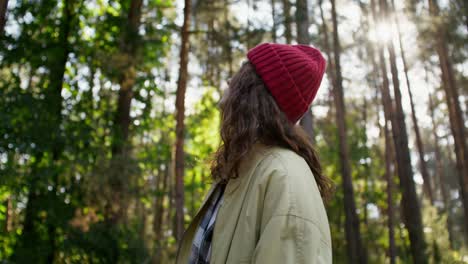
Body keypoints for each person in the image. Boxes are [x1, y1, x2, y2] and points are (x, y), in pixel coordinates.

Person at [175, 42, 334, 264]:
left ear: (255, 89)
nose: (230, 80)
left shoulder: (284, 178)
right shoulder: (239, 171)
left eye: (242, 72)